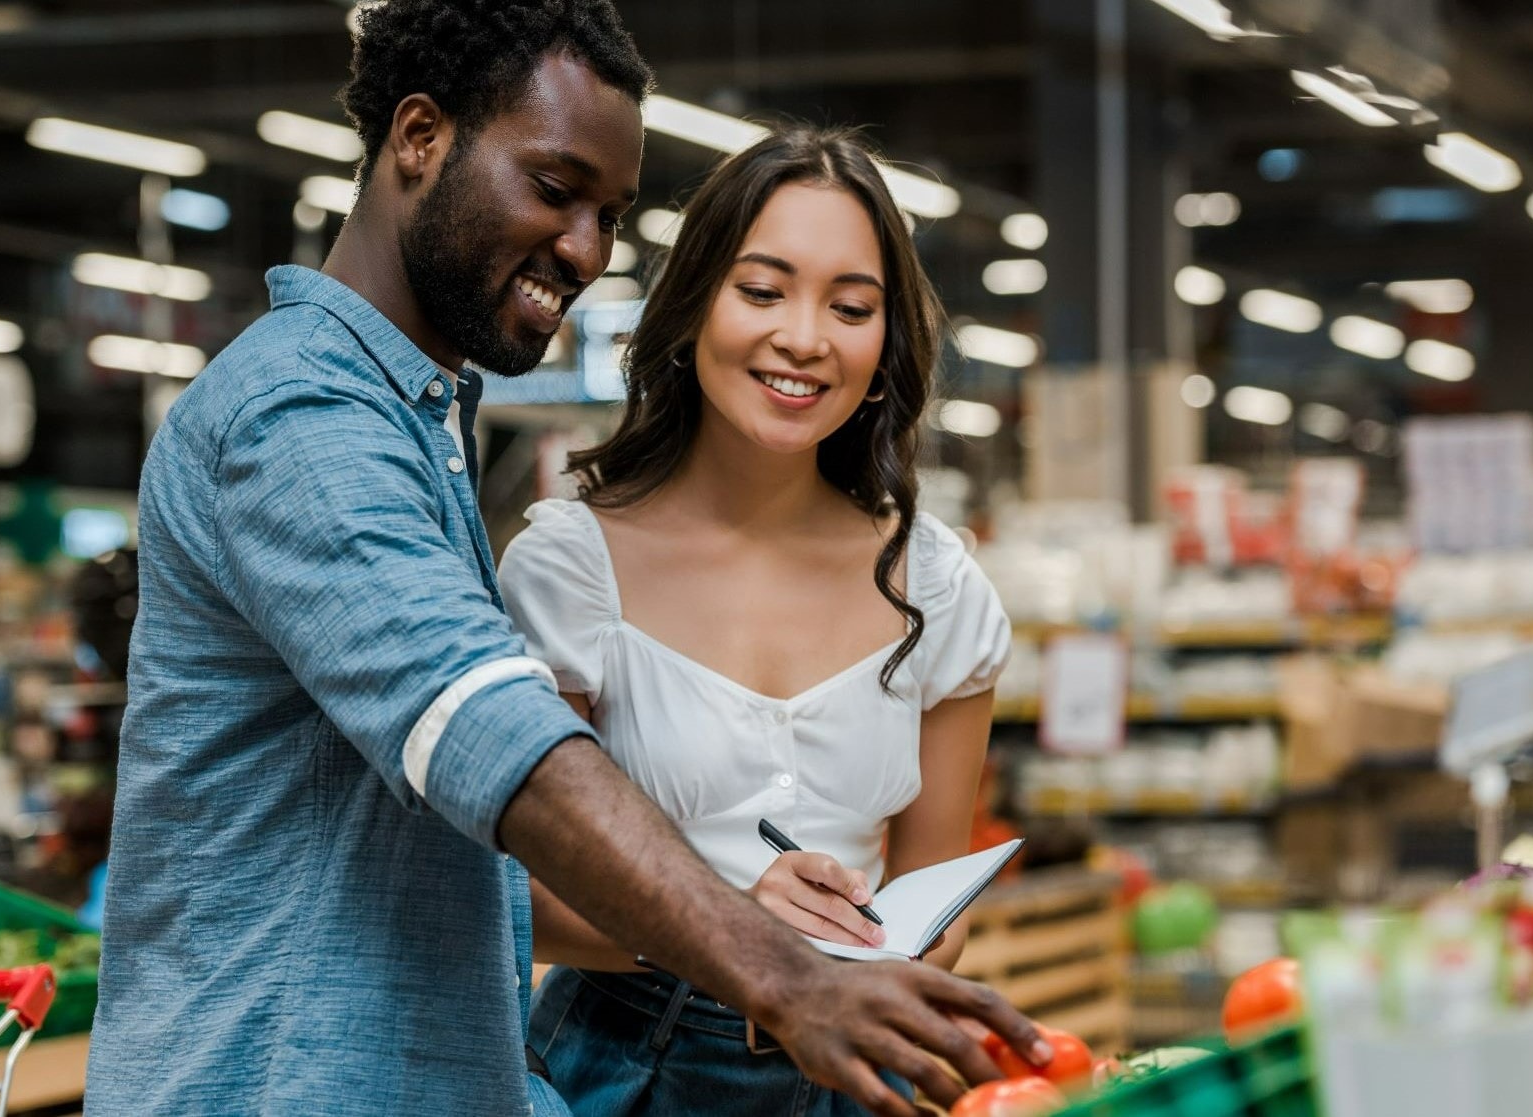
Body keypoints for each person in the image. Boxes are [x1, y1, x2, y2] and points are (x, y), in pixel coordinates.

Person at [84, 3, 1047, 1115]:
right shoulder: (301, 416)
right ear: (418, 137)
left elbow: (454, 863)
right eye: (552, 189)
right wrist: (779, 968)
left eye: (609, 214)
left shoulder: (419, 418)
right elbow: (491, 734)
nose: (587, 251)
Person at [501, 127, 1012, 1115]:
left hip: (858, 1066)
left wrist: (866, 942)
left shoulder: (938, 590)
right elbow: (507, 895)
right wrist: (729, 929)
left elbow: (937, 903)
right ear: (691, 305)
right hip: (625, 1064)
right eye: (762, 290)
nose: (805, 337)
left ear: (885, 339)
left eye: (850, 306)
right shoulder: (571, 572)